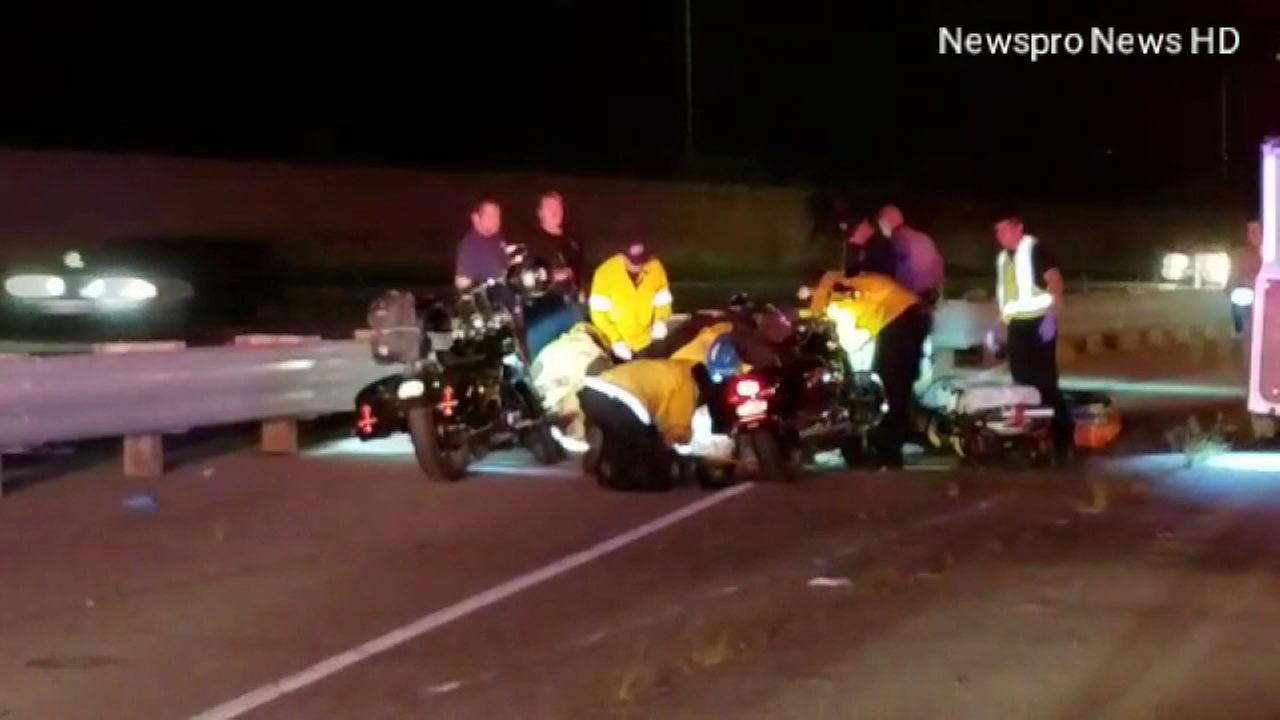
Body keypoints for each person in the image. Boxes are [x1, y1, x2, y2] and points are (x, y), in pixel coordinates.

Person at [809, 270, 928, 468]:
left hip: (899, 320)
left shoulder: (835, 295)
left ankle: (888, 448)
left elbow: (850, 338)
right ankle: (890, 447)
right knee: (896, 386)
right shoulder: (853, 284)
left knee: (890, 387)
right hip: (907, 317)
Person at [579, 346, 737, 491]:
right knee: (644, 443)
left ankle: (608, 468)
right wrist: (686, 453)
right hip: (622, 398)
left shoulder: (678, 367)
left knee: (620, 437)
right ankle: (635, 480)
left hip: (593, 391)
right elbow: (677, 428)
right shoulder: (689, 385)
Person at [993, 214, 1075, 463]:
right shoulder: (1002, 259)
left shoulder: (1035, 249)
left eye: (1005, 230)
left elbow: (1055, 282)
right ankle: (1033, 437)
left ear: (1019, 228)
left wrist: (1052, 316)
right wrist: (997, 326)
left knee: (1045, 382)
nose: (1000, 236)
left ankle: (1063, 438)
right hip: (1017, 327)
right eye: (997, 232)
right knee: (1022, 385)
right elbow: (1007, 298)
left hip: (1039, 323)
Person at [523, 191, 588, 357]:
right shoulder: (530, 243)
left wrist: (582, 293)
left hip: (574, 310)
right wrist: (553, 275)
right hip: (544, 314)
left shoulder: (573, 240)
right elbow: (525, 279)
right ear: (540, 213)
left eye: (558, 207)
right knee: (544, 360)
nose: (555, 211)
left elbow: (580, 271)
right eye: (549, 207)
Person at [588, 240, 673, 361]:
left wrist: (661, 320)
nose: (638, 266)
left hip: (648, 339)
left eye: (642, 261)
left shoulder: (656, 267)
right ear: (621, 256)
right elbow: (598, 314)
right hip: (619, 345)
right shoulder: (604, 274)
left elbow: (663, 300)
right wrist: (615, 340)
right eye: (633, 262)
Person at [877, 204, 945, 308]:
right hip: (932, 291)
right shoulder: (923, 237)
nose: (881, 229)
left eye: (881, 225)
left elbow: (890, 267)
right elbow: (938, 263)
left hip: (910, 295)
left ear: (885, 223)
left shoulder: (897, 239)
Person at [454, 195, 511, 291]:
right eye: (490, 216)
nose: (496, 220)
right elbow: (462, 284)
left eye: (497, 216)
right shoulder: (469, 246)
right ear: (475, 218)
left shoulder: (498, 239)